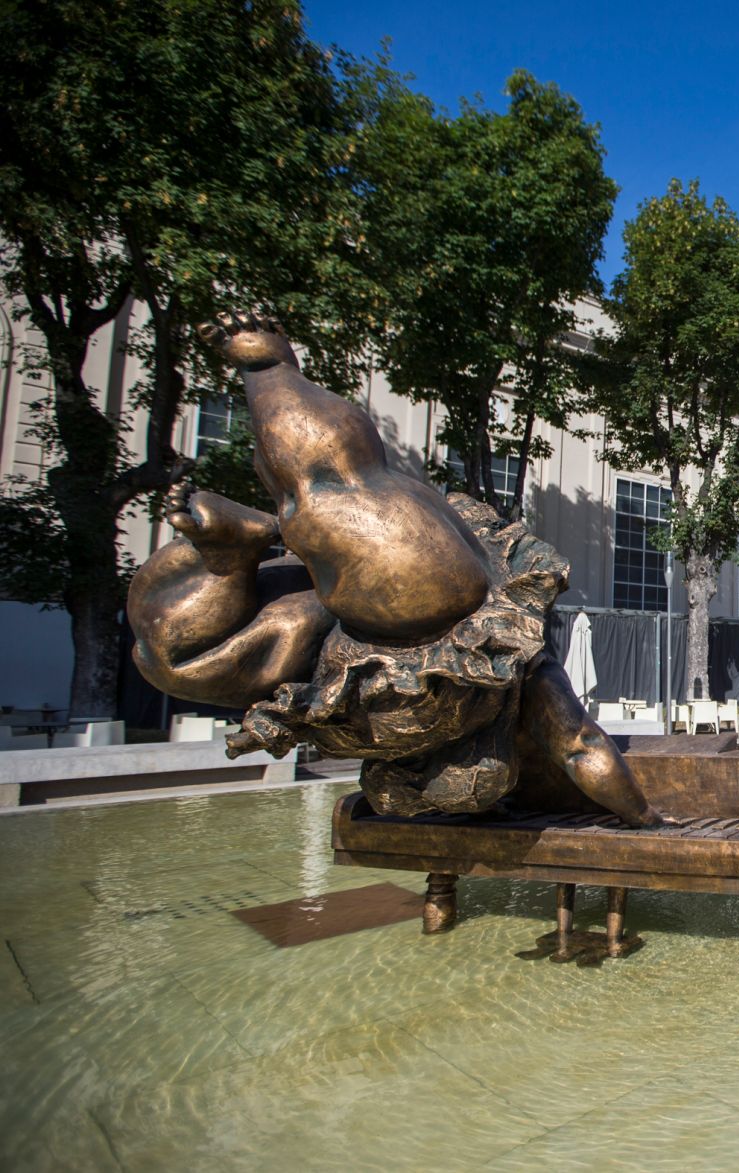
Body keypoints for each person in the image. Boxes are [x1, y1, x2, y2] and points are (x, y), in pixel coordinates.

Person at [127, 311, 662, 825]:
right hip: (413, 641)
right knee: (325, 504)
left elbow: (580, 747)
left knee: (188, 648)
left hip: (416, 624)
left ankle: (239, 543)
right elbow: (579, 745)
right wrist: (650, 823)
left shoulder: (507, 688)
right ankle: (266, 430)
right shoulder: (496, 690)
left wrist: (640, 817)